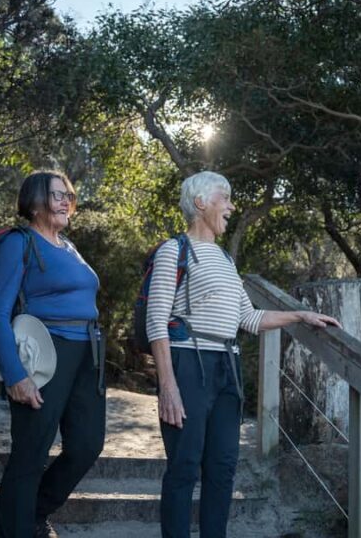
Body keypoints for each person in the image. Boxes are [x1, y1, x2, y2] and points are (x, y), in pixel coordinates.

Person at [146, 171, 341, 538]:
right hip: (189, 364)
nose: (231, 206)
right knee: (185, 466)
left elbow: (248, 318)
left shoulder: (225, 259)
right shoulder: (174, 250)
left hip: (227, 368)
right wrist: (167, 386)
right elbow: (156, 321)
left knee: (222, 468)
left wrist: (299, 315)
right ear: (200, 202)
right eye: (225, 197)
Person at [0, 170, 104, 538]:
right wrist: (15, 374)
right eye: (56, 195)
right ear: (35, 202)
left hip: (88, 355)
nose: (65, 201)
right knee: (30, 454)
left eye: (68, 194)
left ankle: (33, 513)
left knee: (87, 445)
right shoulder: (18, 243)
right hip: (45, 351)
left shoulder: (68, 245)